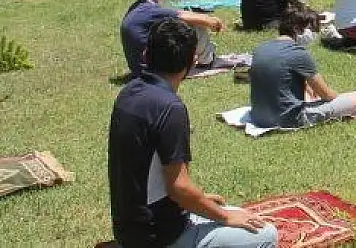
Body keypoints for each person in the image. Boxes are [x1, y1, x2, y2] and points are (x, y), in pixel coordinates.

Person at [108, 16, 278, 248]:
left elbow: (145, 176)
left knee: (234, 211)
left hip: (130, 227)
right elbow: (179, 188)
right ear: (192, 61)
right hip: (158, 236)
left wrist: (202, 202)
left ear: (147, 54)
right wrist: (225, 216)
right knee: (265, 233)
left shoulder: (128, 93)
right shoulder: (170, 108)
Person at [249, 10, 356, 129]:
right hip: (288, 119)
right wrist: (340, 99)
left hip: (258, 116)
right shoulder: (298, 53)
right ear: (296, 29)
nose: (313, 34)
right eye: (311, 29)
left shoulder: (260, 49)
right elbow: (326, 94)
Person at [120, 0, 223, 78]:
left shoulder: (139, 8)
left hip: (140, 67)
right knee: (193, 25)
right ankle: (206, 61)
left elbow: (177, 13)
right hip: (152, 71)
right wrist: (214, 22)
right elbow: (192, 18)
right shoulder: (149, 11)